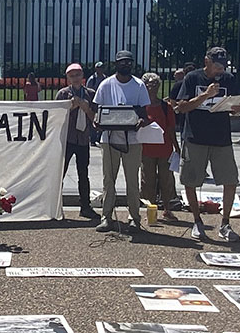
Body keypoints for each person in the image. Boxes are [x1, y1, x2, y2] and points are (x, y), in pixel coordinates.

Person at [175, 46, 240, 243]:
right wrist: (205, 95)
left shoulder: (229, 79)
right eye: (216, 65)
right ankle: (197, 221)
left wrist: (238, 108)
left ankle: (225, 223)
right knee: (191, 180)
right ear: (206, 61)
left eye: (223, 65)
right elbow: (182, 107)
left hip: (221, 137)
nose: (220, 69)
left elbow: (233, 108)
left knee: (230, 180)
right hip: (195, 137)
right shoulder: (192, 78)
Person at [94, 50, 152, 233]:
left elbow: (144, 113)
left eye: (129, 62)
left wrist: (141, 121)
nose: (125, 65)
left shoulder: (139, 85)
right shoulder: (106, 84)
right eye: (122, 62)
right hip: (109, 139)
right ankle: (106, 217)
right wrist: (97, 121)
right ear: (116, 63)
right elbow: (98, 109)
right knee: (108, 180)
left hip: (133, 140)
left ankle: (134, 217)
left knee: (132, 181)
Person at [55, 63, 99, 219]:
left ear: (82, 76)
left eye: (77, 75)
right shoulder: (62, 94)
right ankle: (56, 205)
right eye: (72, 75)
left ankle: (85, 206)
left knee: (83, 174)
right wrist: (72, 107)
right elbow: (57, 118)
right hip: (67, 139)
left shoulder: (91, 94)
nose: (75, 78)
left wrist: (86, 108)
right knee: (60, 173)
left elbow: (95, 119)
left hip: (82, 140)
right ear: (67, 78)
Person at [140, 72, 179, 222]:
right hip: (146, 149)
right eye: (149, 85)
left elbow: (171, 128)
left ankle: (167, 209)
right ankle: (151, 210)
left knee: (166, 180)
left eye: (155, 85)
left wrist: (176, 146)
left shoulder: (165, 106)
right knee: (147, 180)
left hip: (165, 149)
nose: (152, 88)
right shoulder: (142, 106)